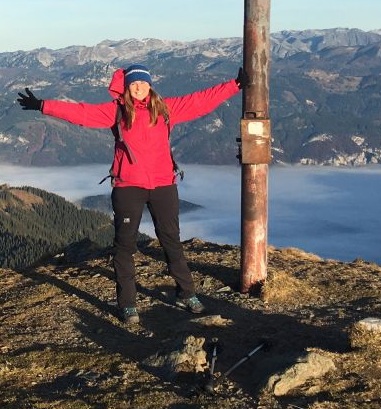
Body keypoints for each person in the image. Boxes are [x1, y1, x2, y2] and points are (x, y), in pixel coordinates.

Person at [17, 64, 243, 325]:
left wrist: (234, 86)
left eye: (143, 83)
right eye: (134, 83)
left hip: (163, 185)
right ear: (126, 86)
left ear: (150, 85)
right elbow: (81, 113)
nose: (139, 87)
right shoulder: (116, 111)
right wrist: (43, 105)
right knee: (125, 247)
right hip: (128, 187)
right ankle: (128, 305)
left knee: (171, 240)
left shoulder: (165, 108)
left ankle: (186, 293)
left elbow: (199, 101)